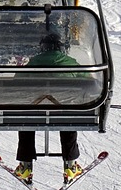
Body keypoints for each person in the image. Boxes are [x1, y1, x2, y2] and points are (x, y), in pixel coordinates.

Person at [14, 34, 84, 185]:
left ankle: (25, 166)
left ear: (43, 47)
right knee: (68, 121)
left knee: (26, 121)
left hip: (37, 110)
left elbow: (17, 80)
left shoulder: (33, 62)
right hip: (62, 110)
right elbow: (88, 80)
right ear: (60, 47)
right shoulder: (71, 62)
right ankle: (70, 166)